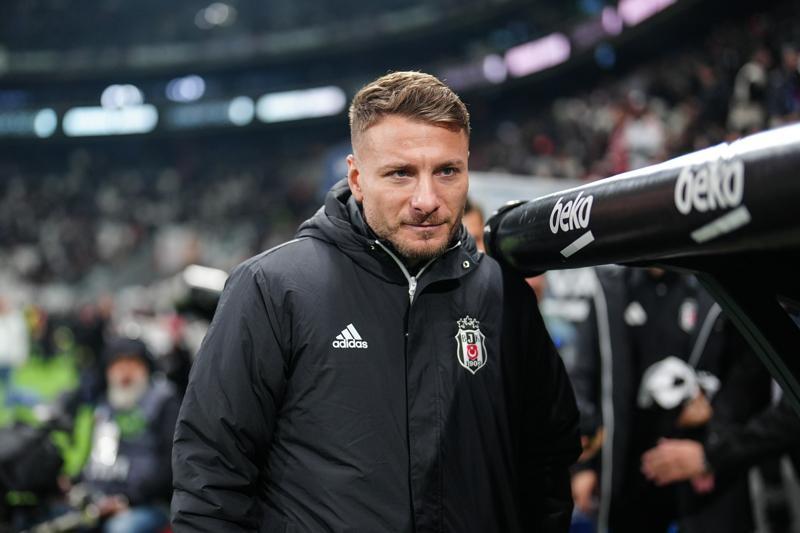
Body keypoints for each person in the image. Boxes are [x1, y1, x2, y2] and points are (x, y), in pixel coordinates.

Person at [171, 71, 581, 532]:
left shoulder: (504, 294)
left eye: (447, 171)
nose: (427, 199)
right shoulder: (271, 289)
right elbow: (211, 475)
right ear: (357, 178)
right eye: (401, 173)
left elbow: (548, 460)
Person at [569, 266, 771, 533]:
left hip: (700, 470)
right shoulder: (611, 291)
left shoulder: (712, 286)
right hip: (630, 474)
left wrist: (715, 423)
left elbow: (748, 377)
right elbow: (583, 379)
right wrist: (583, 466)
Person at [81, 337, 179, 533]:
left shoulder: (164, 403)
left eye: (133, 363)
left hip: (148, 504)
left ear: (146, 369)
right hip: (99, 499)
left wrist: (127, 499)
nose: (125, 372)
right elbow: (95, 459)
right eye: (118, 364)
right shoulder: (104, 405)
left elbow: (170, 467)